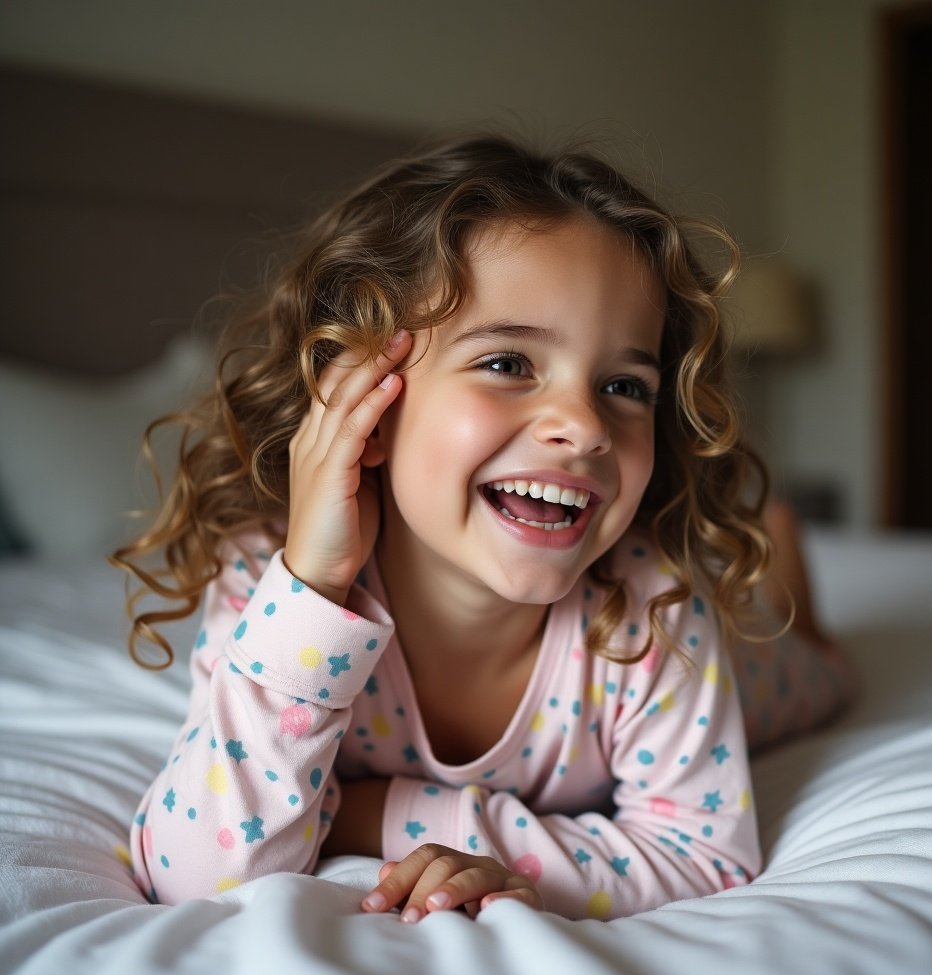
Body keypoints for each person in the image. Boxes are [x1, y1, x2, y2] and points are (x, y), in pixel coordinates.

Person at [116, 134, 856, 921]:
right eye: (508, 362)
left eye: (621, 385)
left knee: (819, 679)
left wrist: (379, 812)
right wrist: (312, 585)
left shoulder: (653, 604)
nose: (583, 424)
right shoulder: (275, 582)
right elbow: (197, 878)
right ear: (361, 393)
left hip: (740, 668)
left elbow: (705, 854)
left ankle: (788, 577)